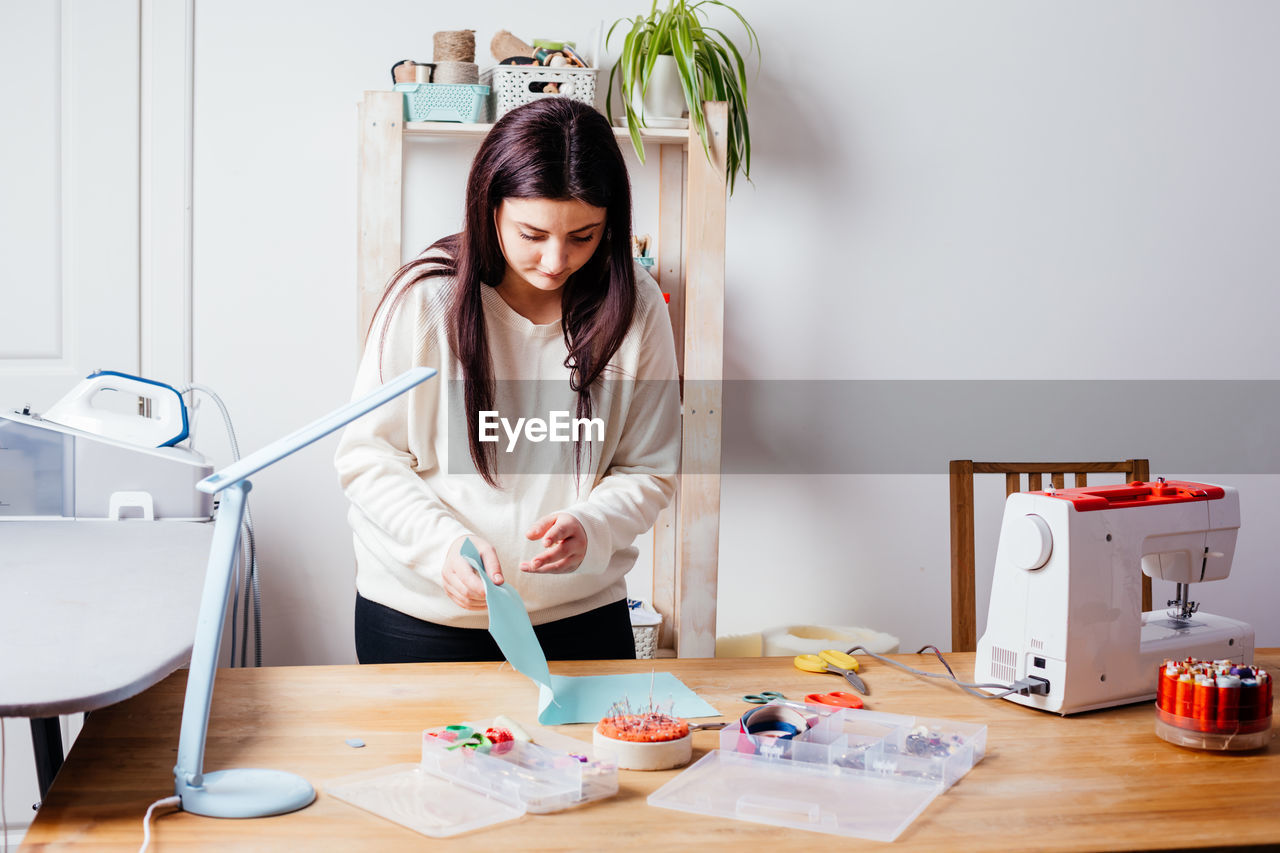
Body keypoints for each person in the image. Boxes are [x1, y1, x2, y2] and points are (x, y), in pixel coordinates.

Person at [334, 97, 680, 664]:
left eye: (584, 236)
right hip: (423, 619)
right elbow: (368, 459)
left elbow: (648, 467)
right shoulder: (426, 299)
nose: (555, 260)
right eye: (532, 233)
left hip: (580, 618)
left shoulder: (636, 305)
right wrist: (441, 545)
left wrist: (592, 524)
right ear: (488, 208)